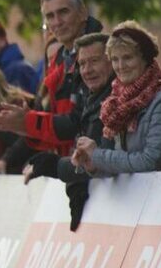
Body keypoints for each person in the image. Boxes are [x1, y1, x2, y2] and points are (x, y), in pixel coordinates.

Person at [0, 0, 104, 178]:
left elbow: (78, 122)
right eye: (49, 16)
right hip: (72, 169)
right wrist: (7, 159)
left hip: (96, 171)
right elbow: (46, 119)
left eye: (63, 12)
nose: (56, 22)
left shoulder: (99, 52)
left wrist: (26, 122)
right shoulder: (61, 58)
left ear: (83, 13)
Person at [70, 22, 161, 177]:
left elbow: (152, 161)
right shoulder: (117, 103)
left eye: (128, 57)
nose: (121, 66)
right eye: (115, 59)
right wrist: (91, 164)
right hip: (134, 198)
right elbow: (121, 167)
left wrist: (97, 155)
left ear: (145, 57)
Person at [24, 32, 114, 183]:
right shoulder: (90, 98)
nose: (87, 70)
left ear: (112, 61)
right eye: (82, 63)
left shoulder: (117, 101)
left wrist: (54, 165)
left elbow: (99, 162)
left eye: (94, 61)